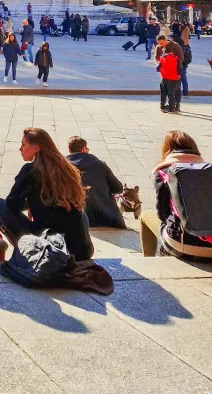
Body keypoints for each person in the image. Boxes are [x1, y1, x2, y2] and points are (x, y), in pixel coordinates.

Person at [0, 128, 93, 261]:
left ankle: (28, 252)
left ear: (36, 148)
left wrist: (29, 202)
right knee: (79, 211)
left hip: (53, 249)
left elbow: (12, 204)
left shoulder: (30, 170)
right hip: (82, 251)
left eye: (23, 144)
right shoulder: (66, 168)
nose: (20, 149)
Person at [140, 131, 212, 260]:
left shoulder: (164, 171)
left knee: (145, 216)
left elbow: (162, 214)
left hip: (183, 246)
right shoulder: (207, 171)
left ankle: (149, 260)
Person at [66, 137, 125, 228]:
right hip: (108, 219)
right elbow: (118, 188)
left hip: (79, 220)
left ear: (69, 151)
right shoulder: (100, 164)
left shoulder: (63, 166)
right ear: (84, 149)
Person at [157, 41, 182, 114]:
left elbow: (158, 68)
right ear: (172, 51)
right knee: (171, 93)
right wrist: (179, 75)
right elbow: (179, 68)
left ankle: (162, 106)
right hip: (173, 78)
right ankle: (171, 108)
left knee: (163, 92)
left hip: (164, 77)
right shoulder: (176, 58)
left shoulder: (162, 58)